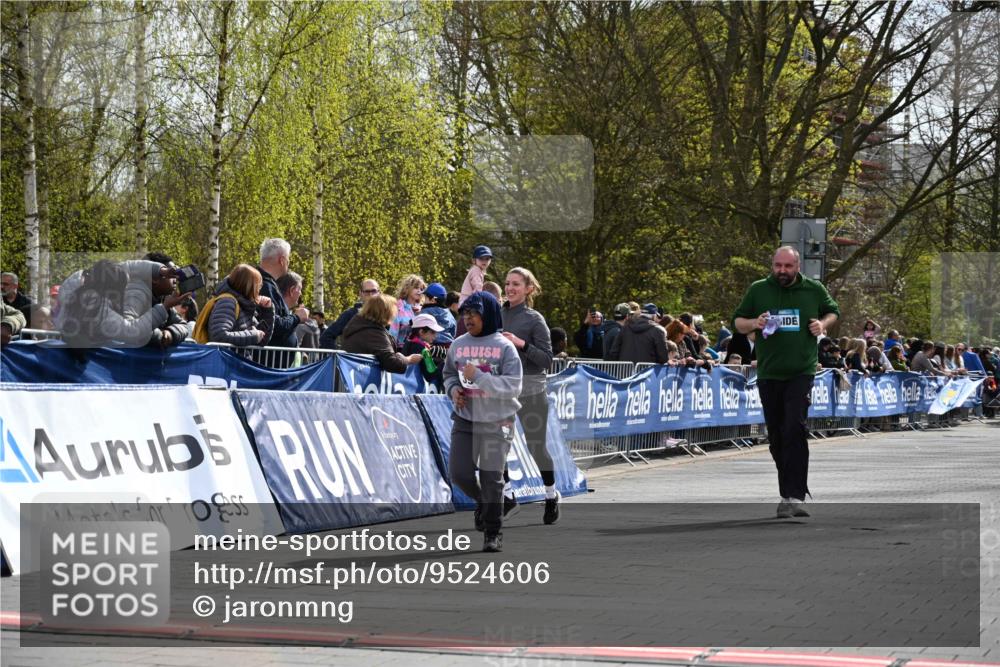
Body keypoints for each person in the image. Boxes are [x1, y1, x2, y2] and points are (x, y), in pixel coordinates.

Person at [733, 245, 839, 519]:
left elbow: (832, 311)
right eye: (778, 266)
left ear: (798, 266)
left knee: (795, 428)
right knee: (777, 436)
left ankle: (792, 495)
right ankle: (789, 491)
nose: (782, 271)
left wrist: (822, 325)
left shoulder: (813, 289)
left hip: (801, 372)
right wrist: (754, 323)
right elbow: (738, 323)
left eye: (787, 266)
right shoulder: (758, 289)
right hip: (769, 373)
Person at [443, 291, 523, 552]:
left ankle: (493, 530)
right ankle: (491, 503)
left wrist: (478, 376)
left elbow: (513, 386)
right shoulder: (458, 344)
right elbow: (448, 375)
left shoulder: (504, 347)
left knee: (491, 477)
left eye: (473, 313)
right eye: (465, 314)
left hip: (497, 420)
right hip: (465, 419)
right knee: (460, 474)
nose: (468, 319)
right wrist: (454, 390)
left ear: (487, 315)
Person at [501, 267, 559, 523]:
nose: (510, 288)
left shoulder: (535, 319)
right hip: (502, 390)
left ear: (528, 289)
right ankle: (507, 497)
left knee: (536, 447)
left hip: (532, 390)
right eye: (507, 283)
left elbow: (547, 360)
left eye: (516, 284)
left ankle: (550, 495)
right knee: (496, 445)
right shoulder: (495, 315)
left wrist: (521, 343)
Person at [58, 259, 189, 349]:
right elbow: (132, 331)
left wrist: (160, 270)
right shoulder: (97, 310)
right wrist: (164, 308)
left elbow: (128, 267)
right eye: (122, 290)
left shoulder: (88, 281)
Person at [341, 293, 422, 373]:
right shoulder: (373, 333)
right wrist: (409, 359)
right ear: (386, 312)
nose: (395, 313)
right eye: (394, 310)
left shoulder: (359, 324)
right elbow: (392, 364)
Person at [125, 256, 191, 349]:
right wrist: (160, 336)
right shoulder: (135, 295)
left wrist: (170, 333)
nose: (176, 279)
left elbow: (184, 326)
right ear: (154, 278)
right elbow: (129, 330)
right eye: (171, 275)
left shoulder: (162, 299)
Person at [202, 263, 274, 347]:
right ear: (248, 286)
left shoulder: (244, 305)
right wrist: (253, 336)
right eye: (258, 286)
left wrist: (267, 310)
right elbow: (219, 336)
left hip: (234, 359)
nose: (259, 290)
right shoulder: (227, 302)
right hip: (225, 359)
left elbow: (262, 340)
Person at [256, 238, 308, 350]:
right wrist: (297, 317)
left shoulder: (264, 283)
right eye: (288, 259)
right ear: (282, 260)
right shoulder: (264, 285)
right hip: (266, 362)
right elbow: (275, 323)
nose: (288, 263)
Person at [321, 279, 380, 349]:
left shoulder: (385, 315)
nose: (370, 294)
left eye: (374, 291)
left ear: (379, 293)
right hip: (354, 359)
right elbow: (326, 336)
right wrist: (338, 356)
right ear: (360, 293)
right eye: (367, 292)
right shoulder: (350, 314)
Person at [402, 313, 446, 391]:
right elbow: (430, 375)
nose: (435, 336)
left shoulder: (408, 342)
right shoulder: (422, 349)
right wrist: (442, 363)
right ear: (421, 332)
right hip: (415, 390)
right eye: (432, 332)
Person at [278, 271, 321, 349]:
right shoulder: (277, 310)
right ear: (291, 290)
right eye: (300, 289)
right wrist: (297, 317)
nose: (301, 294)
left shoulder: (284, 311)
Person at [390, 274, 426, 348]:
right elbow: (393, 332)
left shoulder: (422, 309)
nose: (419, 291)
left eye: (421, 289)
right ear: (408, 288)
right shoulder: (399, 307)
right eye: (416, 288)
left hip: (419, 349)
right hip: (400, 349)